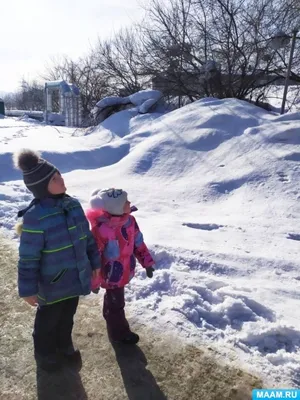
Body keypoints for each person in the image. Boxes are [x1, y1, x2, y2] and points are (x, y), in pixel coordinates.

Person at [14, 149, 101, 372]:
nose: (61, 179)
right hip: (51, 284)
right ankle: (44, 353)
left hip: (75, 278)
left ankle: (64, 344)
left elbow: (87, 238)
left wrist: (95, 264)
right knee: (47, 321)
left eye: (59, 174)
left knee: (68, 316)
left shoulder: (73, 205)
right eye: (54, 178)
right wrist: (27, 289)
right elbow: (28, 258)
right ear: (42, 186)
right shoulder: (35, 217)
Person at [86, 188, 155, 345]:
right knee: (117, 305)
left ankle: (110, 315)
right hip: (111, 275)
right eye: (125, 202)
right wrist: (94, 281)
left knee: (114, 302)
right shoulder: (101, 230)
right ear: (115, 208)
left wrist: (147, 262)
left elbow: (138, 242)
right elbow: (94, 257)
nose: (129, 203)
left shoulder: (130, 221)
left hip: (125, 269)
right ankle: (119, 335)